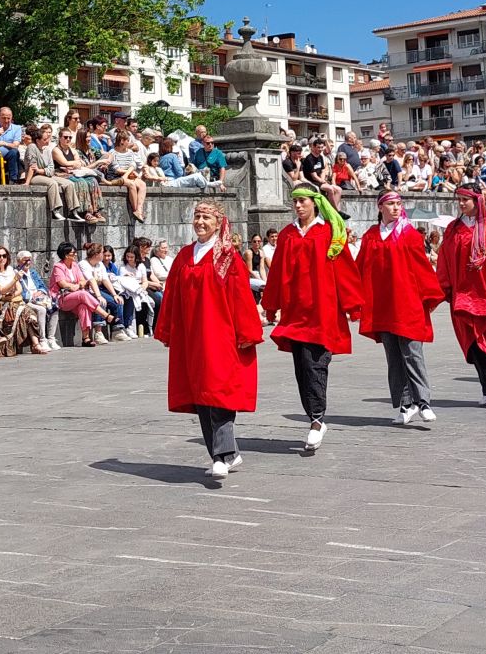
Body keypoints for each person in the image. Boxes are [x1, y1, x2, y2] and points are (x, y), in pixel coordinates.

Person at [157, 199, 261, 481]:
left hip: (221, 335)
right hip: (192, 337)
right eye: (197, 217)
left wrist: (247, 333)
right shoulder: (184, 256)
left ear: (218, 223)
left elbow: (241, 297)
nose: (200, 222)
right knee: (200, 395)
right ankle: (225, 454)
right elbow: (171, 297)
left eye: (206, 217)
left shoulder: (227, 257)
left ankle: (221, 455)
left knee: (220, 392)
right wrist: (167, 330)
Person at [262, 184, 363, 453]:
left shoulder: (329, 232)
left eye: (303, 201)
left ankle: (317, 420)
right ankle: (313, 416)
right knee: (301, 369)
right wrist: (270, 306)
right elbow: (277, 273)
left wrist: (353, 305)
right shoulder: (286, 235)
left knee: (315, 364)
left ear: (315, 203)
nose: (298, 206)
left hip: (323, 311)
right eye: (295, 202)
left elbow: (344, 269)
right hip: (295, 313)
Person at [357, 190, 444, 424]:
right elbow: (359, 268)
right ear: (380, 207)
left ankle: (423, 401)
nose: (396, 208)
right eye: (390, 204)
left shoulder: (410, 235)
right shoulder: (371, 237)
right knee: (393, 356)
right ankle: (406, 404)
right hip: (383, 306)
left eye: (398, 203)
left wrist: (429, 298)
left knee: (413, 354)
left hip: (408, 304)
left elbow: (423, 269)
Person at [435, 181, 486, 409]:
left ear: (476, 200)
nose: (461, 204)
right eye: (458, 200)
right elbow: (444, 260)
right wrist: (444, 289)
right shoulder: (453, 229)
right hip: (463, 294)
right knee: (473, 344)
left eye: (465, 200)